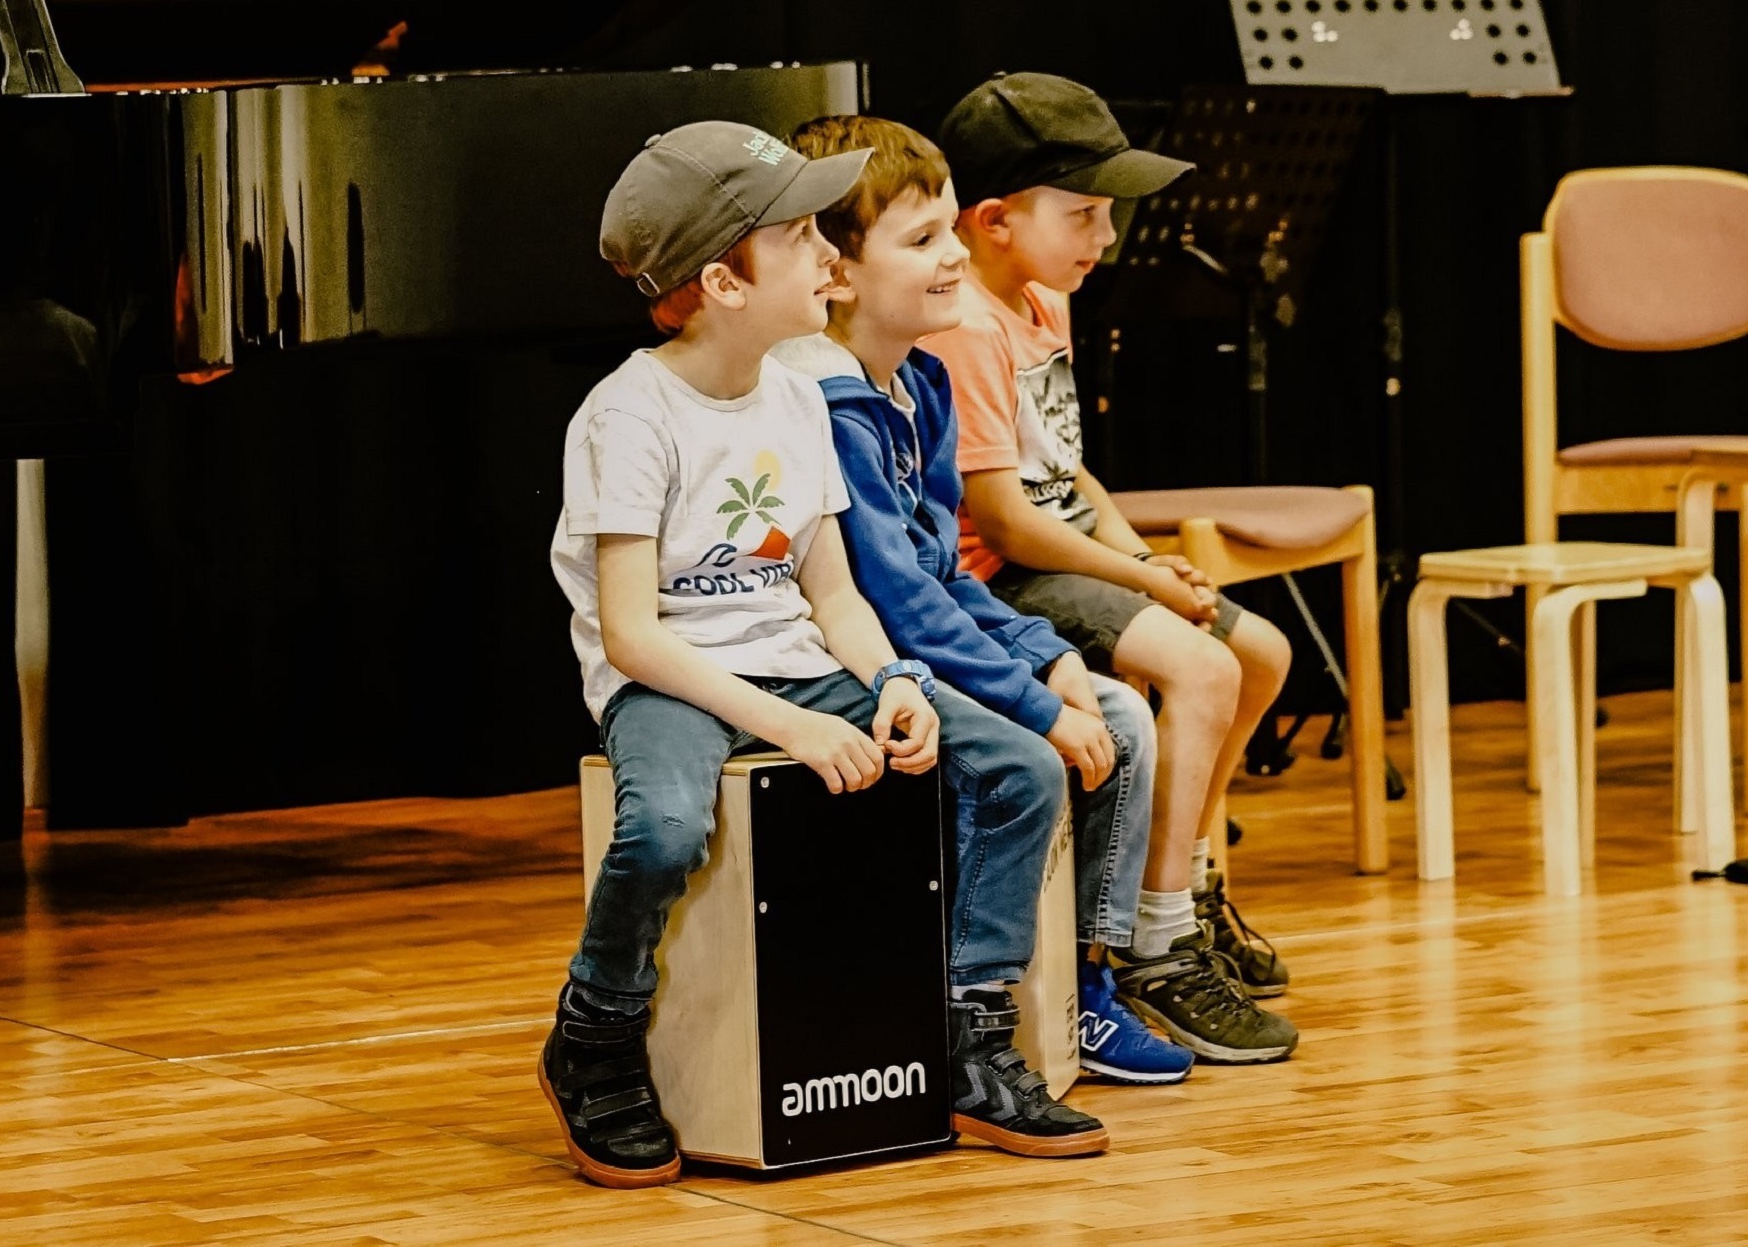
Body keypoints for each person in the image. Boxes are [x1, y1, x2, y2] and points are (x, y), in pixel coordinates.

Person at [541, 121, 1107, 1189]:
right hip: (676, 676)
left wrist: (893, 679)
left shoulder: (802, 394)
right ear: (722, 279)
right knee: (664, 822)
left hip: (802, 659)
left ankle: (968, 1034)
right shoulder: (627, 413)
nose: (829, 258)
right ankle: (598, 1026)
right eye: (801, 237)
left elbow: (834, 591)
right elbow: (632, 633)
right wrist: (791, 722)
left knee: (1018, 765)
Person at [778, 112, 1293, 1074]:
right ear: (837, 271)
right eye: (925, 241)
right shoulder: (835, 399)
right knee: (1052, 748)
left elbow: (941, 568)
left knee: (1134, 714)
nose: (951, 263)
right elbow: (911, 586)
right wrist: (1030, 688)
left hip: (949, 627)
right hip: (859, 662)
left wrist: (1047, 654)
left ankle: (1095, 977)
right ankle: (1001, 1011)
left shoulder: (918, 380)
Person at [924, 73, 1298, 1058]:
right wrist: (1138, 581)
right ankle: (1153, 943)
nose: (1106, 239)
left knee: (1260, 650)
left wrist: (1142, 552)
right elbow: (1003, 518)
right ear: (994, 219)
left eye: (1109, 214)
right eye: (1083, 214)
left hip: (1071, 552)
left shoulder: (1045, 295)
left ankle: (1193, 876)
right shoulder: (962, 323)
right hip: (1002, 578)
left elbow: (1061, 462)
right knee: (1203, 667)